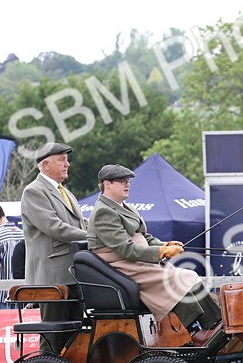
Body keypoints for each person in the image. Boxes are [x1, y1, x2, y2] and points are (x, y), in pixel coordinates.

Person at [87, 164, 221, 344]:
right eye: (121, 181)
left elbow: (146, 237)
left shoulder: (126, 207)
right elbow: (126, 249)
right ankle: (195, 332)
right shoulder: (103, 211)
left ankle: (214, 324)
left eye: (128, 181)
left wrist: (165, 245)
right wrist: (161, 252)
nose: (127, 184)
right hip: (120, 266)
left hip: (137, 261)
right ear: (107, 184)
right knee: (171, 279)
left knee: (188, 275)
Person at [20, 142, 88, 333]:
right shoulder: (34, 191)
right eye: (62, 160)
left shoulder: (65, 192)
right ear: (45, 165)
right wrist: (95, 237)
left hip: (72, 274)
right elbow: (55, 227)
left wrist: (106, 230)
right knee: (53, 335)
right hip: (52, 277)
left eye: (67, 159)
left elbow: (82, 223)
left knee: (75, 332)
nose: (67, 164)